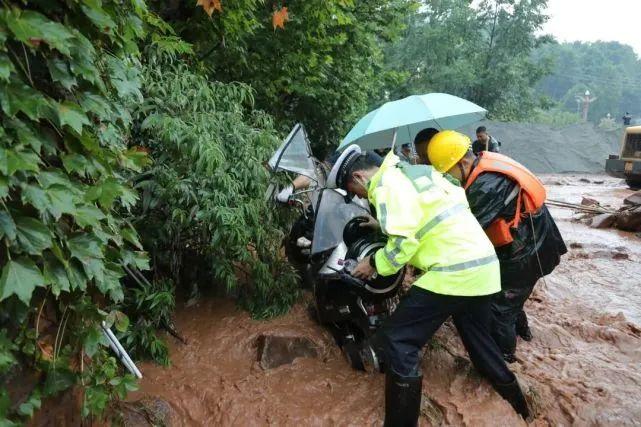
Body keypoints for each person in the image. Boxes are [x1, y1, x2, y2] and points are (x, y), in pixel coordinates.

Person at [327, 146, 530, 426]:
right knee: (480, 342)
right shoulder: (417, 172)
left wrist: (373, 263)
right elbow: (429, 216)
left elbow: (404, 244)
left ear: (359, 177)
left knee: (398, 340)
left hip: (453, 272)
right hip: (483, 268)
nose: (359, 196)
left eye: (355, 191)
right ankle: (521, 406)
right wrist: (381, 224)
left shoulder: (385, 187)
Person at [427, 130, 567, 363]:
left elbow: (464, 232)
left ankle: (504, 360)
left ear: (462, 163)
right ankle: (525, 334)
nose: (446, 178)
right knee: (510, 298)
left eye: (447, 172)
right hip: (532, 239)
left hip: (528, 250)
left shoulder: (485, 186)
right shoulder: (482, 163)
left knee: (499, 309)